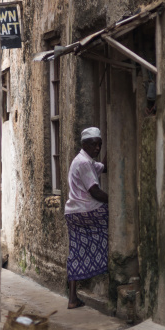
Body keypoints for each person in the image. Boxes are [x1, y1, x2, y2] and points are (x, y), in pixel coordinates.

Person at [64, 127, 109, 309]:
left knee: (75, 250)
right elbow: (95, 192)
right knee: (112, 222)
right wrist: (115, 201)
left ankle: (73, 298)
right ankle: (110, 268)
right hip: (86, 210)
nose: (97, 147)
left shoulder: (85, 161)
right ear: (84, 144)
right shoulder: (84, 163)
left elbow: (103, 167)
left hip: (72, 213)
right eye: (94, 144)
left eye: (100, 144)